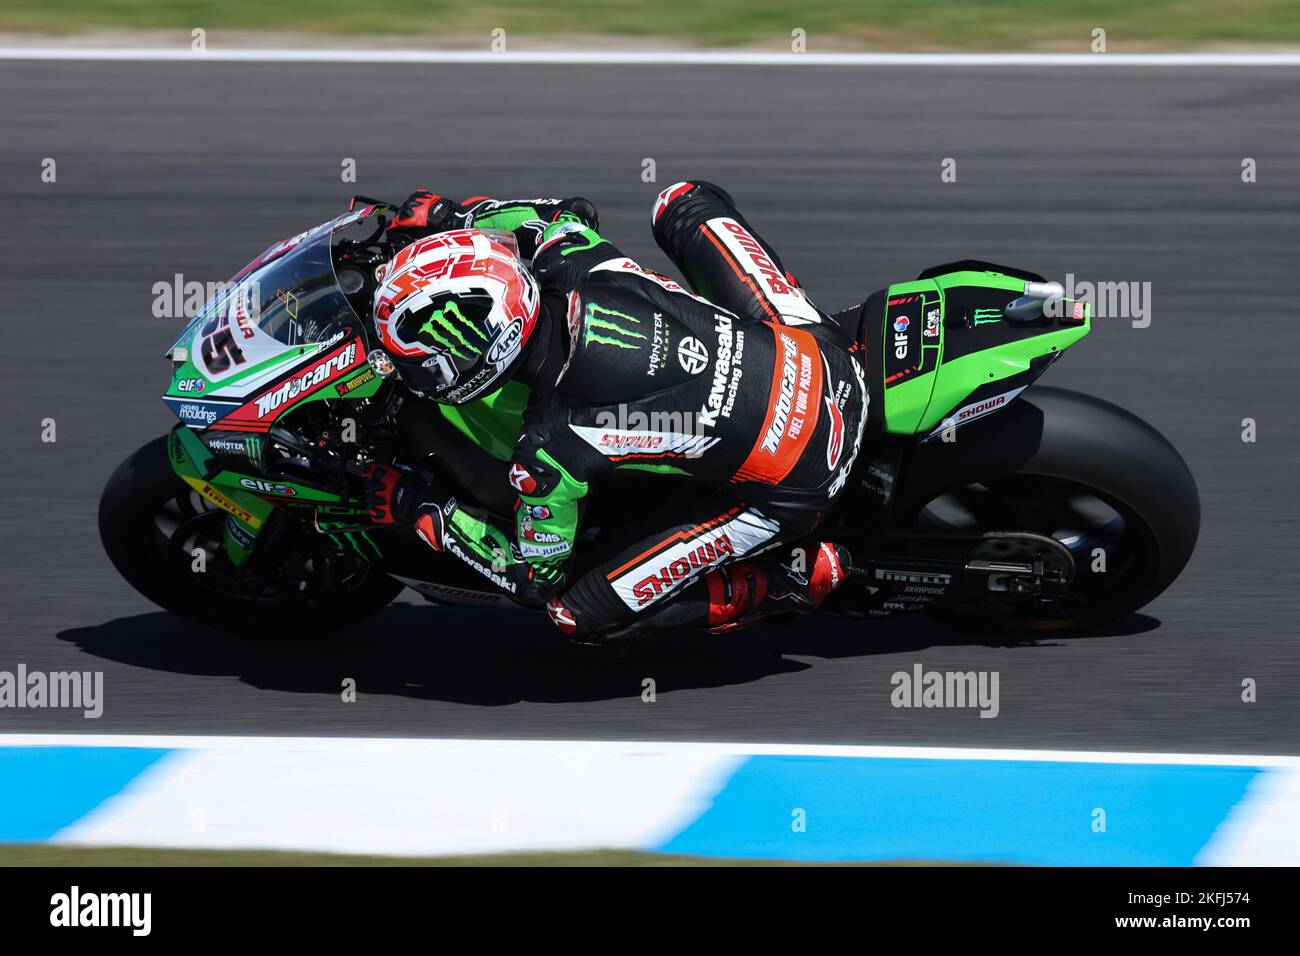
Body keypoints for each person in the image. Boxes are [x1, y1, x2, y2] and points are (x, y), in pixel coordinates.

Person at [363, 182, 867, 642]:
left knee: (577, 612)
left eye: (420, 366)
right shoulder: (572, 257)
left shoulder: (549, 448)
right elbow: (559, 212)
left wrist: (419, 506)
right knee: (681, 200)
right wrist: (454, 216)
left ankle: (789, 578)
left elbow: (532, 577)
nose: (414, 377)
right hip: (821, 354)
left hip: (802, 479)